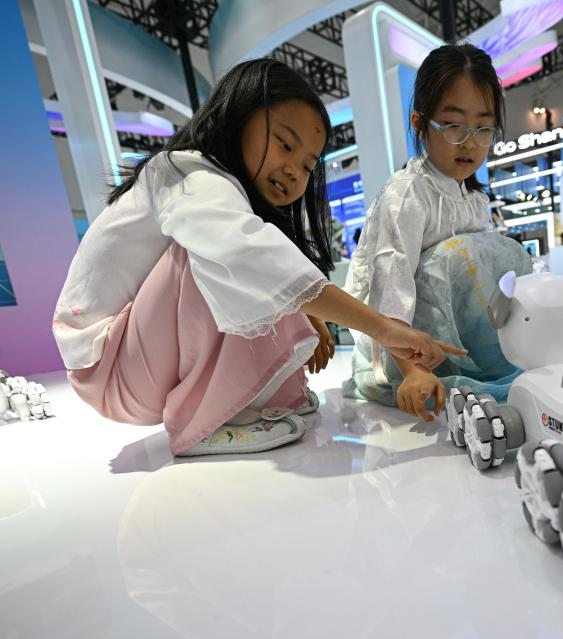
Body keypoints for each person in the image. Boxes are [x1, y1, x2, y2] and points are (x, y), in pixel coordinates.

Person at [52, 59, 462, 457]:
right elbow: (250, 256)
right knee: (221, 255)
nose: (294, 172)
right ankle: (202, 421)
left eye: (308, 166)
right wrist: (384, 329)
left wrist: (310, 313)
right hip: (109, 368)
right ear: (239, 116)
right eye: (285, 144)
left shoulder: (220, 192)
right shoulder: (188, 175)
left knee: (254, 266)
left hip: (132, 360)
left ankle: (255, 402)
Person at [343, 44, 532, 421]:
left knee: (505, 252)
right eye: (453, 125)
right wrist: (412, 369)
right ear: (419, 123)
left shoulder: (474, 199)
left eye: (483, 128)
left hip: (450, 343)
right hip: (398, 349)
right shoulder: (407, 194)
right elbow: (389, 290)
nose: (470, 142)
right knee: (459, 255)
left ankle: (484, 360)